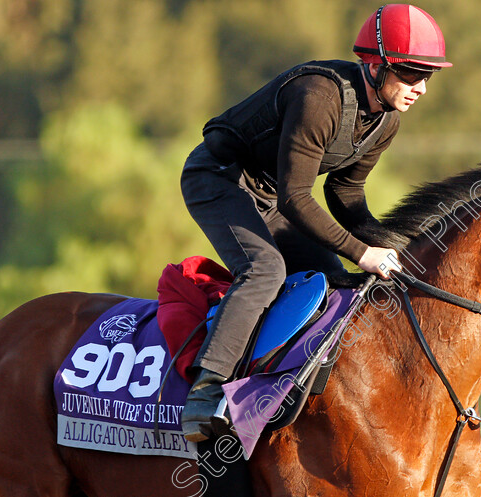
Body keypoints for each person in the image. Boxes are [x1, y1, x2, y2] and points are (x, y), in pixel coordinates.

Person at [179, 4, 451, 442]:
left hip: (274, 196)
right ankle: (205, 393)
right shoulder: (319, 97)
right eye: (411, 73)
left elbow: (344, 194)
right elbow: (295, 197)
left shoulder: (386, 122)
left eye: (428, 75)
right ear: (376, 65)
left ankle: (286, 392)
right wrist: (364, 253)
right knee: (265, 269)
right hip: (220, 179)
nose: (420, 86)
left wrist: (392, 245)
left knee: (331, 280)